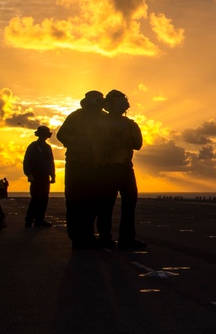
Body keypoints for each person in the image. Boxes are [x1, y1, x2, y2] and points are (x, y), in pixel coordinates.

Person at [93, 90, 146, 250]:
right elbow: (137, 144)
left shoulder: (98, 123)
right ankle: (126, 239)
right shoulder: (130, 125)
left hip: (106, 168)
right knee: (127, 204)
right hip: (121, 168)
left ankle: (105, 238)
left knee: (106, 206)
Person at [56, 91, 105, 249]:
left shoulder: (104, 118)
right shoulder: (76, 116)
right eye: (96, 100)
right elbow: (61, 134)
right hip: (76, 163)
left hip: (96, 165)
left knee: (93, 202)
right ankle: (76, 236)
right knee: (75, 201)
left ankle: (88, 235)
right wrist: (78, 142)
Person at [23, 125, 56, 228]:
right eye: (42, 133)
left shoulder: (47, 147)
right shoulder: (33, 146)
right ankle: (29, 220)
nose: (44, 136)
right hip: (36, 176)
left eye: (45, 134)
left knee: (44, 199)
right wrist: (29, 174)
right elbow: (26, 161)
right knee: (36, 198)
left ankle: (39, 220)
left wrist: (53, 175)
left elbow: (51, 162)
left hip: (45, 177)